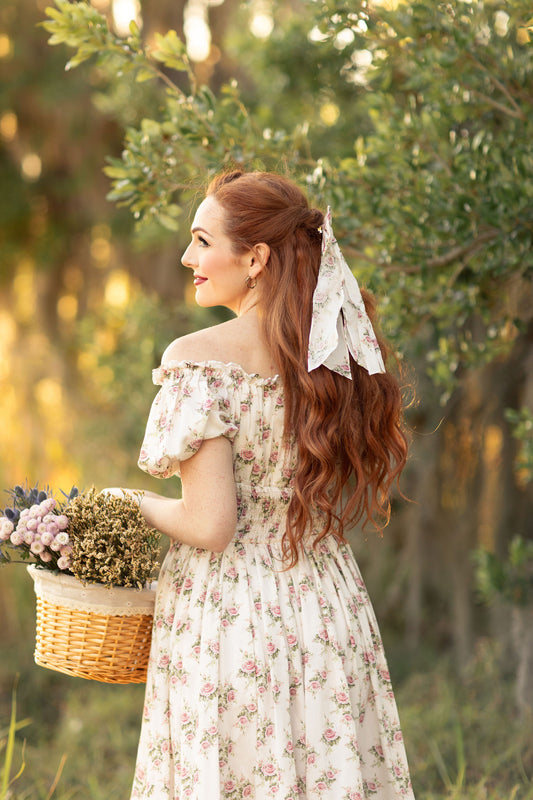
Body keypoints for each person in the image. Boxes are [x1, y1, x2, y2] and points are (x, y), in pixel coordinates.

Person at [128, 170, 414, 799]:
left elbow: (210, 525)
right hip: (326, 605)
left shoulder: (197, 360)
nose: (188, 258)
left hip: (230, 614)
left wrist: (131, 503)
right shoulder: (326, 363)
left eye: (203, 241)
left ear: (255, 258)